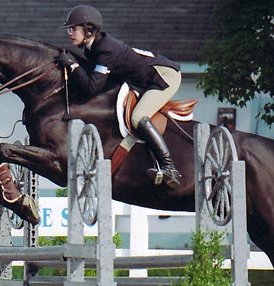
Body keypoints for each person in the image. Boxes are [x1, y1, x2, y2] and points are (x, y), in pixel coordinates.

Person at [58, 4, 182, 189]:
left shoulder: (105, 49)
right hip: (139, 81)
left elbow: (91, 88)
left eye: (73, 28)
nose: (70, 32)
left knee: (138, 117)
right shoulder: (92, 47)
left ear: (88, 29)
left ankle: (169, 167)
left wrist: (74, 67)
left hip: (163, 77)